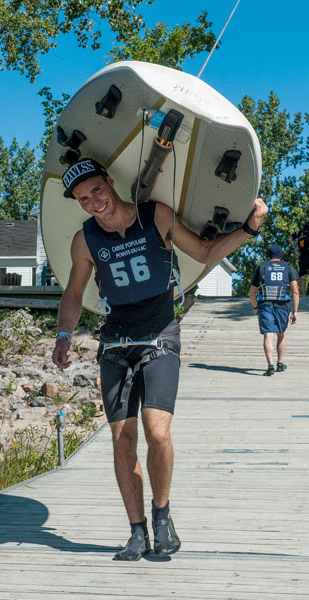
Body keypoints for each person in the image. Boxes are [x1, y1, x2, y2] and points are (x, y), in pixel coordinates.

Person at [52, 157, 268, 560]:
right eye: (83, 199)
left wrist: (250, 227)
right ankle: (137, 532)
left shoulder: (157, 217)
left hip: (160, 335)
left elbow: (205, 253)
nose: (93, 202)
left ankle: (162, 515)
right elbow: (74, 295)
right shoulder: (85, 241)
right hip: (116, 342)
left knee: (158, 433)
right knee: (122, 441)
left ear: (109, 181)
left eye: (96, 190)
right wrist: (64, 333)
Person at [249, 244, 299, 376]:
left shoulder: (262, 267)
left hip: (265, 305)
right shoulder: (288, 268)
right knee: (281, 333)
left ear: (269, 255)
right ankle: (280, 364)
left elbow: (251, 293)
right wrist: (294, 312)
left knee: (268, 335)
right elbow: (295, 291)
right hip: (282, 305)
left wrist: (255, 307)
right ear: (281, 255)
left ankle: (270, 366)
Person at [287, 222, 309, 295]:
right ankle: (303, 295)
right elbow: (290, 238)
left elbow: (290, 238)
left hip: (303, 255)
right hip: (303, 255)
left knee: (302, 274)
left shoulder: (301, 231)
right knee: (302, 274)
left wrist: (294, 246)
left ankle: (303, 294)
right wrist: (294, 246)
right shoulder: (300, 232)